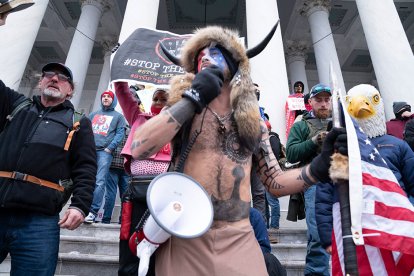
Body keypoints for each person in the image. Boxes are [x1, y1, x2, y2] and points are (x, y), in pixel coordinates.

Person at [131, 25, 345, 275]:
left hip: (239, 238)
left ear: (234, 64)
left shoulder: (252, 123)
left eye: (216, 53)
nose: (206, 57)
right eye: (201, 56)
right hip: (183, 235)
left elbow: (275, 182)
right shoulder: (184, 111)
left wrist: (319, 168)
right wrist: (192, 99)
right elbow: (139, 147)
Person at [0, 62, 97, 275]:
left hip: (39, 221)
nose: (55, 78)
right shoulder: (15, 106)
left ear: (70, 90)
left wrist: (80, 205)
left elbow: (86, 167)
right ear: (40, 81)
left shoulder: (78, 123)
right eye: (49, 74)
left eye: (63, 78)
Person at [316, 84, 414, 268]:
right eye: (350, 102)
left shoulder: (398, 146)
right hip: (352, 230)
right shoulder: (339, 152)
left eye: (373, 99)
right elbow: (325, 196)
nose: (360, 104)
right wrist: (326, 236)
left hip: (393, 228)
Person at [112, 84, 171, 276]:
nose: (159, 103)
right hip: (137, 191)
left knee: (163, 246)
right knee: (130, 239)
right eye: (156, 99)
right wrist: (121, 77)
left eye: (164, 99)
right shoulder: (138, 118)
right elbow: (122, 94)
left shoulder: (180, 124)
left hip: (166, 194)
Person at [286, 83, 332, 276]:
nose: (323, 104)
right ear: (310, 102)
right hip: (314, 184)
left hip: (342, 182)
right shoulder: (301, 124)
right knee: (318, 234)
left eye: (326, 100)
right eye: (319, 100)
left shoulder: (341, 122)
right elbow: (291, 154)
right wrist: (314, 141)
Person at [84, 90, 126, 223]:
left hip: (104, 153)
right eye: (104, 96)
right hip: (90, 151)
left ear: (113, 100)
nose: (106, 98)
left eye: (109, 96)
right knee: (84, 179)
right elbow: (85, 131)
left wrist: (110, 148)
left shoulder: (118, 117)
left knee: (100, 181)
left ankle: (93, 212)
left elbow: (120, 134)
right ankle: (81, 209)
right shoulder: (93, 114)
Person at [101, 126, 130, 224]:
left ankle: (106, 219)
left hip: (113, 165)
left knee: (110, 194)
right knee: (125, 196)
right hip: (126, 167)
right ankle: (123, 220)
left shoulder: (115, 131)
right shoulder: (133, 132)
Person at [249, 207, 287, 276]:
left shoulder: (253, 215)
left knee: (270, 260)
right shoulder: (223, 215)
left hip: (250, 258)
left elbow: (264, 247)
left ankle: (274, 225)